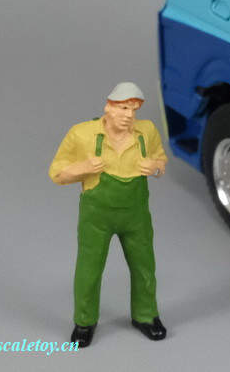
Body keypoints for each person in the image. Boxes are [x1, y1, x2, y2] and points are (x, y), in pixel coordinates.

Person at [49, 82, 168, 347]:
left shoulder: (146, 132)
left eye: (133, 109)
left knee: (144, 266)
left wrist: (155, 168)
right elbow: (56, 173)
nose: (129, 115)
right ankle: (84, 321)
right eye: (123, 108)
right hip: (96, 217)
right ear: (108, 107)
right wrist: (83, 167)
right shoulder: (82, 134)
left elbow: (161, 161)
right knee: (89, 270)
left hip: (136, 216)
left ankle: (146, 315)